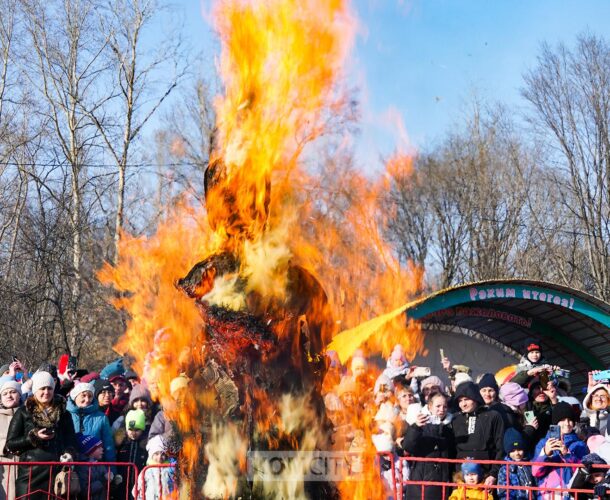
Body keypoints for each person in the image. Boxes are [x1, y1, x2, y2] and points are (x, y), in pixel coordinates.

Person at [4, 371, 78, 499]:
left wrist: (69, 454)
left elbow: (71, 440)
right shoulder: (23, 412)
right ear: (35, 390)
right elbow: (11, 443)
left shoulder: (64, 413)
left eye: (49, 388)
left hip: (56, 474)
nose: (46, 392)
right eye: (42, 388)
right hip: (29, 475)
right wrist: (33, 437)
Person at [401, 392, 455, 499]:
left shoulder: (449, 427)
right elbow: (407, 446)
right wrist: (416, 428)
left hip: (442, 481)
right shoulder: (421, 424)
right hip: (421, 483)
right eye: (438, 406)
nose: (442, 409)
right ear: (430, 407)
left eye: (445, 406)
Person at [451, 382, 505, 485]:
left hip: (485, 474)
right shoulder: (455, 419)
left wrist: (493, 474)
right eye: (460, 401)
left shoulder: (492, 416)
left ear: (475, 398)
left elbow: (500, 447)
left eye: (466, 399)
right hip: (461, 476)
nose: (463, 404)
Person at [532, 401, 589, 498]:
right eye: (562, 420)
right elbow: (535, 472)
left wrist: (567, 454)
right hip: (547, 495)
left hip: (570, 495)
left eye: (570, 420)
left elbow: (583, 472)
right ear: (555, 422)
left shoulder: (580, 445)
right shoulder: (543, 443)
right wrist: (545, 453)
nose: (567, 423)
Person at [67, 382, 116, 465]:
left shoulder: (101, 417)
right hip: (71, 467)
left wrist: (111, 471)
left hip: (93, 469)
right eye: (83, 395)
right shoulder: (66, 415)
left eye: (90, 396)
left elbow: (109, 447)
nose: (87, 400)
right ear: (75, 397)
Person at [133, 435, 176, 500]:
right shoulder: (146, 470)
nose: (159, 457)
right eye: (156, 454)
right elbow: (136, 490)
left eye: (163, 454)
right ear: (151, 455)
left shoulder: (171, 469)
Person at [496, 428, 534, 500]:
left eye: (519, 449)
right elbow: (503, 492)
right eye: (513, 451)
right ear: (508, 452)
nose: (517, 453)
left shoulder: (530, 464)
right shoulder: (505, 469)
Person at [0, 379, 22, 500]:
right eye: (5, 393)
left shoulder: (27, 414)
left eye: (13, 392)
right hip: (2, 468)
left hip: (23, 467)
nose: (9, 395)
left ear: (19, 395)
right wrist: (5, 445)